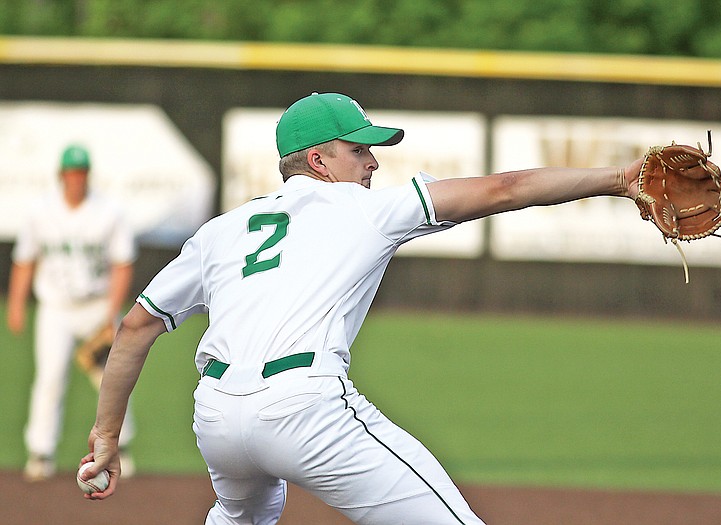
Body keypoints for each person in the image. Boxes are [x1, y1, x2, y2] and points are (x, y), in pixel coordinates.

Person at [80, 92, 644, 524]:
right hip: (305, 410)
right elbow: (506, 187)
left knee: (240, 515)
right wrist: (617, 178)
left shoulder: (220, 232)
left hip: (218, 417)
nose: (372, 162)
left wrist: (106, 436)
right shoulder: (364, 209)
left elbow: (134, 327)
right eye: (359, 149)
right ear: (319, 160)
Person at [7, 144, 137, 482]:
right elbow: (25, 261)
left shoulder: (108, 211)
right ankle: (40, 452)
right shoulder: (41, 211)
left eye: (80, 173)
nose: (76, 179)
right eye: (71, 173)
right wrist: (17, 305)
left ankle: (121, 447)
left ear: (87, 175)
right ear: (61, 176)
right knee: (49, 378)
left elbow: (122, 264)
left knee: (112, 380)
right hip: (57, 309)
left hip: (97, 305)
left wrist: (111, 314)